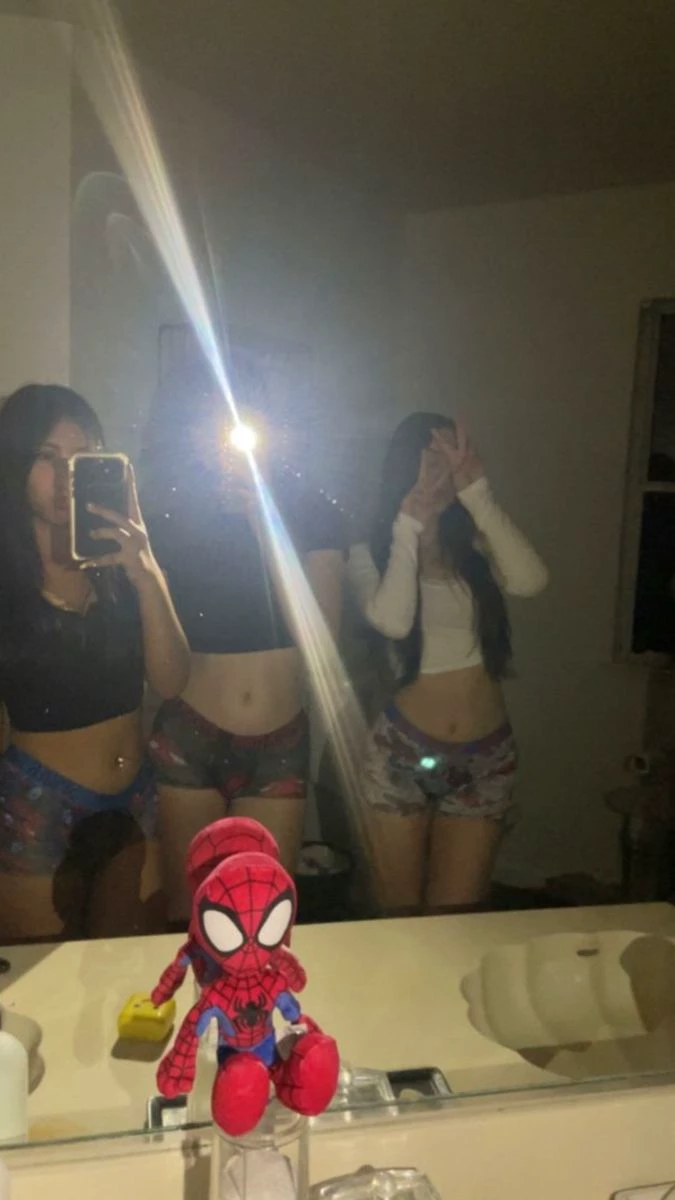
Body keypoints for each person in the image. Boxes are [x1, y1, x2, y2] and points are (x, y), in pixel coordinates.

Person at [141, 376, 345, 923]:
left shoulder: (313, 511)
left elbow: (321, 639)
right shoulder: (174, 518)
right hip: (190, 735)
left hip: (279, 744)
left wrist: (263, 521)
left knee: (264, 921)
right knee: (190, 918)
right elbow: (165, 662)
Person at [0, 384, 190, 941]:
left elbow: (172, 681)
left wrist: (147, 572)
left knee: (133, 972)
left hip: (135, 799)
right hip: (38, 806)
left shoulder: (127, 570)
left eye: (81, 459)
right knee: (44, 979)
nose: (65, 477)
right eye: (47, 457)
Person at [348, 412, 548, 916]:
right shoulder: (369, 550)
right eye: (425, 464)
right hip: (401, 754)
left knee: (455, 923)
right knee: (397, 921)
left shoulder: (474, 545)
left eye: (444, 464)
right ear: (402, 471)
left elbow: (531, 581)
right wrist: (408, 527)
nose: (435, 478)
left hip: (487, 757)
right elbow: (393, 621)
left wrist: (477, 491)